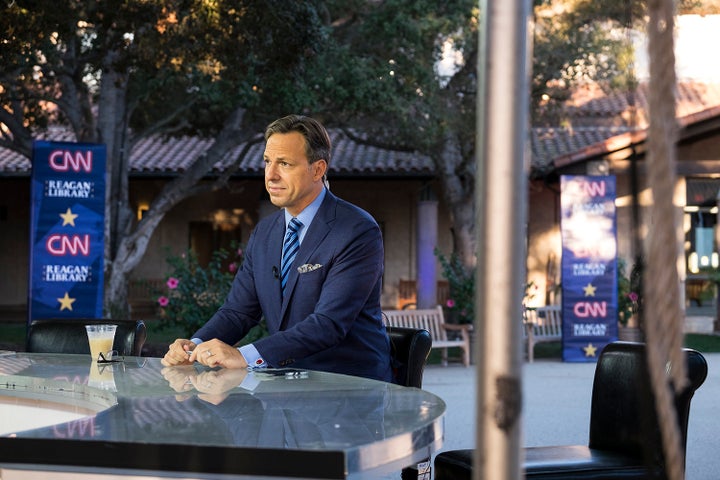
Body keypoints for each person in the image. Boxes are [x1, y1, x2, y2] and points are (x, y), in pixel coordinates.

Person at [162, 114, 392, 382]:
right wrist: (194, 345)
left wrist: (243, 357)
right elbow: (238, 312)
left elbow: (328, 324)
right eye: (268, 162)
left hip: (349, 390)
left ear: (317, 170)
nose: (270, 175)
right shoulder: (264, 233)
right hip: (283, 387)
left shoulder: (357, 230)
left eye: (284, 163)